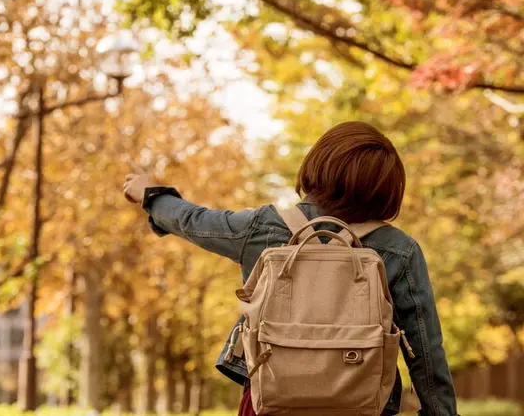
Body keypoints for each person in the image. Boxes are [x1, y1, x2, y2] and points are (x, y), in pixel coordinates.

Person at [123, 121, 458, 416]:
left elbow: (194, 221)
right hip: (362, 402)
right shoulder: (399, 249)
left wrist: (150, 195)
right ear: (386, 187)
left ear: (317, 167)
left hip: (271, 397)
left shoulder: (264, 227)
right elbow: (425, 349)